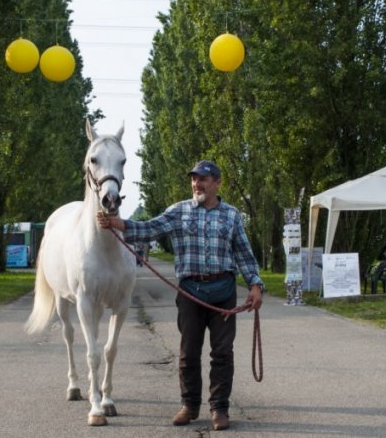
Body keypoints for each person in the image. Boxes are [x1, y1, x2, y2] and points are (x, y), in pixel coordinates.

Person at [97, 160, 264, 431]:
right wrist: (117, 223)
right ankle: (189, 405)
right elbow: (149, 228)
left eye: (203, 179)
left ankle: (219, 409)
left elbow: (244, 254)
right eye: (194, 179)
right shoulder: (179, 212)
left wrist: (255, 285)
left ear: (217, 183)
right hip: (190, 292)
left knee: (222, 353)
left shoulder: (232, 215)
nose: (197, 183)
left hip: (223, 292)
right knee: (188, 353)